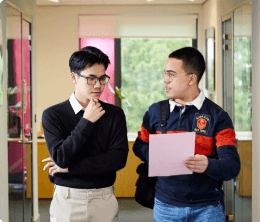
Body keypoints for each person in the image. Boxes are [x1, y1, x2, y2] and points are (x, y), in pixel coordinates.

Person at [133, 47, 240, 222]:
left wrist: (208, 165)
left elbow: (232, 167)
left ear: (192, 78)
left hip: (207, 209)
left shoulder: (218, 117)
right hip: (165, 205)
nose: (165, 80)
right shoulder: (154, 111)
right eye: (165, 74)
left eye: (171, 74)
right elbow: (139, 145)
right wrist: (157, 154)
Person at [42, 46, 129, 222]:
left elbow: (118, 159)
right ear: (74, 77)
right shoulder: (53, 114)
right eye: (91, 79)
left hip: (104, 198)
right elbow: (61, 157)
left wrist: (70, 168)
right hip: (68, 200)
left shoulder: (115, 114)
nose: (98, 85)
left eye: (102, 78)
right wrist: (86, 121)